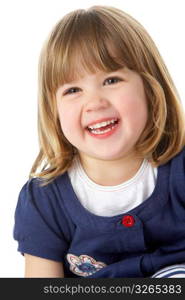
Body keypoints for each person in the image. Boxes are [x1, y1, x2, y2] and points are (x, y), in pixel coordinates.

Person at [13, 5, 185, 278]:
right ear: (53, 110)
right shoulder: (44, 201)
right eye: (72, 90)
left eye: (111, 79)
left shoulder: (179, 169)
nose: (94, 102)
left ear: (151, 88)